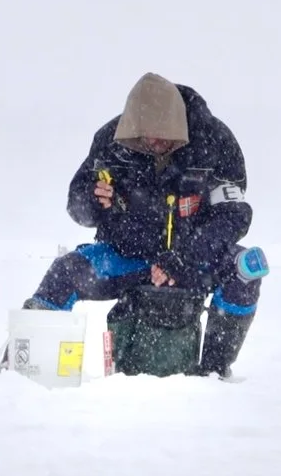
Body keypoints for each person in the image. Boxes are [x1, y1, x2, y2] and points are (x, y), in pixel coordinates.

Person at [23, 73, 262, 377]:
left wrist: (183, 258)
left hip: (191, 259)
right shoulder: (110, 140)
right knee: (65, 271)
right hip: (127, 257)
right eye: (144, 136)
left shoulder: (214, 142)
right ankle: (25, 369)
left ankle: (214, 373)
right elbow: (77, 207)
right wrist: (93, 201)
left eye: (162, 136)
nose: (153, 142)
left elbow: (234, 216)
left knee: (247, 268)